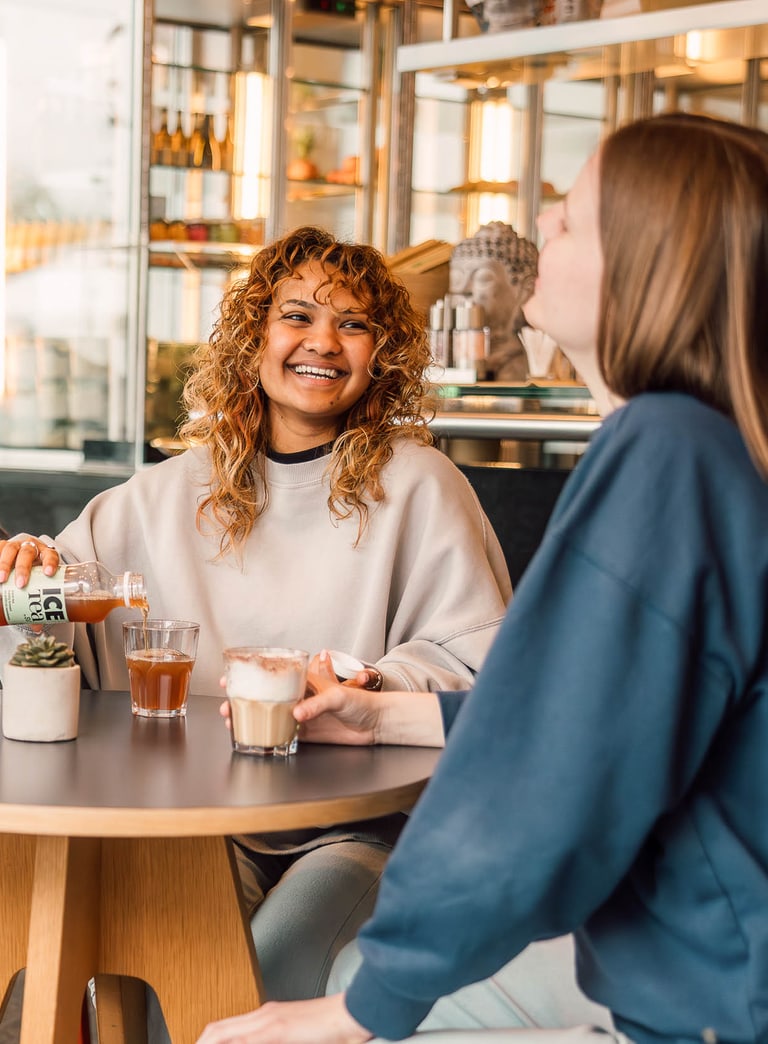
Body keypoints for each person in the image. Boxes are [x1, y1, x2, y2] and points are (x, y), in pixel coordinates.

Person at [196, 112, 768, 1044]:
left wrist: (365, 1010)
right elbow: (587, 716)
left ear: (651, 260)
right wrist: (386, 714)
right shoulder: (705, 448)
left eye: (574, 219)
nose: (544, 227)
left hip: (711, 1005)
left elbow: (547, 791)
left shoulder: (667, 451)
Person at [0, 226, 511, 1012]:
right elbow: (59, 612)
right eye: (297, 316)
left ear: (384, 353)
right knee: (89, 945)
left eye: (354, 323)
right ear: (254, 336)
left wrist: (372, 683)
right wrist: (26, 567)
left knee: (272, 964)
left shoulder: (422, 486)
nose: (323, 344)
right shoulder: (169, 491)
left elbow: (485, 673)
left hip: (358, 826)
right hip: (190, 825)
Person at [449, 221, 538, 380]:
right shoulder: (446, 354)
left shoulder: (525, 361)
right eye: (456, 279)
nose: (464, 290)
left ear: (525, 289)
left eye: (482, 278)